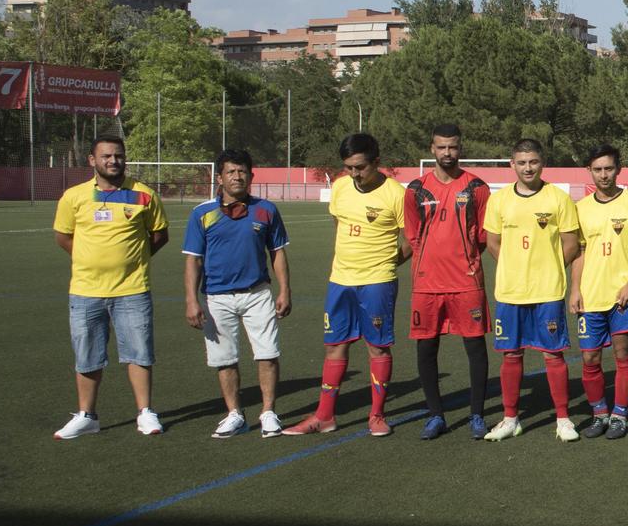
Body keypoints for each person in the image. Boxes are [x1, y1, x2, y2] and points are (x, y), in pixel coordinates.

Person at [287, 133, 409, 436]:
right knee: (334, 346)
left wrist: (385, 264)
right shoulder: (340, 186)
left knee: (377, 347)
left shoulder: (396, 194)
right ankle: (324, 416)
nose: (353, 174)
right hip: (340, 281)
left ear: (376, 162)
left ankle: (377, 416)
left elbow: (410, 242)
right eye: (349, 167)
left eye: (360, 167)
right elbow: (338, 224)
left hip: (377, 282)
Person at [52, 133, 169, 439]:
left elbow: (159, 234)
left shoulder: (144, 194)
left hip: (132, 290)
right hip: (85, 290)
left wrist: (133, 260)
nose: (113, 161)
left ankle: (145, 412)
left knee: (139, 353)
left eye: (118, 155)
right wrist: (89, 260)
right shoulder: (74, 196)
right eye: (106, 156)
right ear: (92, 160)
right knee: (87, 354)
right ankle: (87, 416)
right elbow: (64, 236)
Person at [182, 149, 292, 439]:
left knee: (268, 354)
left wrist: (285, 289)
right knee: (224, 359)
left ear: (251, 175)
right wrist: (192, 300)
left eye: (242, 171)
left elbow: (277, 253)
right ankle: (235, 414)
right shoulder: (202, 213)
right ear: (219, 177)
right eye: (230, 172)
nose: (237, 176)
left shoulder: (266, 209)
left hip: (258, 293)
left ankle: (268, 412)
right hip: (217, 297)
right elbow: (193, 259)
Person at [481, 139, 582, 442]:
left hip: (547, 291)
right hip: (510, 292)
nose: (528, 168)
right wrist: (515, 264)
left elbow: (571, 243)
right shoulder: (499, 201)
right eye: (521, 162)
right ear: (512, 164)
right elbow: (492, 242)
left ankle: (563, 419)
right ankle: (511, 417)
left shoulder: (557, 198)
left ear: (542, 163)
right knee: (511, 355)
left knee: (553, 356)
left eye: (533, 162)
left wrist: (549, 267)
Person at [403, 124, 491, 440]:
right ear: (432, 149)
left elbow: (482, 236)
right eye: (441, 147)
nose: (447, 153)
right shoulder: (415, 189)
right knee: (426, 348)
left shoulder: (477, 187)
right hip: (426, 283)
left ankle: (477, 415)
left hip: (467, 282)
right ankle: (436, 415)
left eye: (452, 147)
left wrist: (463, 259)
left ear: (460, 148)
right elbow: (412, 236)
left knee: (475, 347)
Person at [571, 144, 628, 440]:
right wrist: (575, 289)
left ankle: (619, 415)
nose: (604, 175)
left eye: (608, 168)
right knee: (590, 358)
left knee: (622, 354)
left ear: (619, 169)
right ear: (589, 171)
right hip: (590, 296)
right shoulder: (581, 208)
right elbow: (578, 252)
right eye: (597, 169)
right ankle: (599, 413)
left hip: (622, 297)